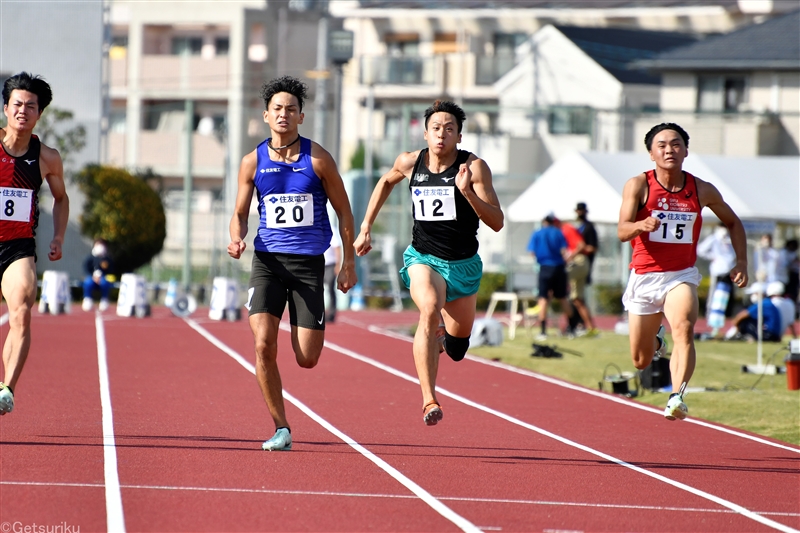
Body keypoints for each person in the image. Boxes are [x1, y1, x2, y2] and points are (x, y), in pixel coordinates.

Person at [354, 100, 503, 426]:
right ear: (425, 133)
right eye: (436, 128)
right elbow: (385, 182)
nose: (442, 134)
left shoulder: (474, 168)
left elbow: (497, 221)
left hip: (463, 264)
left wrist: (468, 194)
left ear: (459, 136)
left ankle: (439, 341)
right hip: (423, 257)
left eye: (450, 129)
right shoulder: (410, 162)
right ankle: (428, 399)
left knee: (457, 347)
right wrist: (365, 227)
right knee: (429, 307)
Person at [227, 76, 357, 450]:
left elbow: (344, 213)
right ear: (267, 115)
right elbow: (239, 212)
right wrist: (236, 236)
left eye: (291, 109)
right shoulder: (252, 161)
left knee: (307, 358)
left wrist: (348, 263)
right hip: (267, 261)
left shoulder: (318, 160)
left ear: (301, 116)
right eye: (277, 109)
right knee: (264, 345)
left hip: (308, 266)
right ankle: (281, 427)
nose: (284, 115)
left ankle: (303, 328)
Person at [618, 122, 747, 421]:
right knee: (640, 360)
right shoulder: (638, 185)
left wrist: (741, 262)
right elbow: (622, 230)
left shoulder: (701, 189)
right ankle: (656, 341)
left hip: (681, 275)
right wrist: (640, 225)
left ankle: (677, 396)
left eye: (676, 144)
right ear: (651, 153)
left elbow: (733, 222)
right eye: (661, 145)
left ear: (686, 150)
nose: (669, 150)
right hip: (644, 276)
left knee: (685, 329)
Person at [0, 72, 69, 415]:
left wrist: (58, 236)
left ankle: (6, 388)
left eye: (30, 106)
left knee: (22, 312)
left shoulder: (47, 158)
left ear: (39, 114)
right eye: (17, 105)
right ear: (5, 108)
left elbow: (61, 198)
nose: (22, 111)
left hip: (18, 247)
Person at [528, 214, 573, 341]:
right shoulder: (558, 233)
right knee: (563, 297)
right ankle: (572, 327)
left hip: (544, 268)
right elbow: (564, 250)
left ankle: (543, 331)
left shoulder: (537, 233)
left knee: (543, 299)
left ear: (543, 221)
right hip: (559, 267)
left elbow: (532, 252)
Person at [563, 207, 599, 337]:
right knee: (577, 299)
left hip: (580, 263)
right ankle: (588, 327)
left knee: (561, 292)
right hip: (582, 263)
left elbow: (589, 247)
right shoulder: (579, 228)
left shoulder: (587, 227)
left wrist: (571, 256)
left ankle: (572, 326)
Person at [697, 223, 736, 337]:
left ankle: (722, 320)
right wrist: (713, 257)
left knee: (726, 298)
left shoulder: (729, 240)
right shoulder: (713, 239)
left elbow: (732, 255)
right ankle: (709, 317)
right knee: (714, 296)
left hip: (728, 272)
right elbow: (700, 250)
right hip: (717, 272)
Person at [82, 238, 114, 312]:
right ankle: (87, 299)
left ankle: (104, 300)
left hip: (102, 277)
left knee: (105, 283)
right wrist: (93, 276)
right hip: (92, 277)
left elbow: (111, 269)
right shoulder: (90, 257)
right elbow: (86, 268)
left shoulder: (107, 258)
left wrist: (102, 275)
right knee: (88, 283)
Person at [323, 228, 342, 323]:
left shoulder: (332, 230)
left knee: (330, 289)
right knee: (317, 289)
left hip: (330, 264)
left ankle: (331, 314)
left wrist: (338, 265)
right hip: (318, 263)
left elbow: (337, 247)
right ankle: (319, 313)